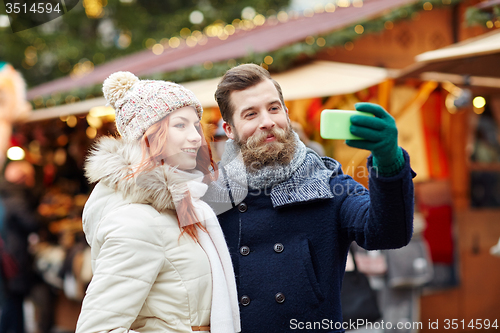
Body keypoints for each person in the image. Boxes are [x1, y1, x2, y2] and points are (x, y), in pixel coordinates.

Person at [202, 64, 415, 333]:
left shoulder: (327, 182)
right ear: (229, 129)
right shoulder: (210, 196)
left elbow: (390, 234)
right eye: (251, 114)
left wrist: (389, 161)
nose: (267, 121)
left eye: (274, 108)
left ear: (287, 114)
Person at [76, 72, 240, 333]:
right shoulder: (136, 222)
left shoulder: (180, 205)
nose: (196, 137)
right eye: (180, 125)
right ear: (148, 135)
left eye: (196, 125)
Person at [0, 161, 40, 333]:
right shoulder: (15, 197)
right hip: (12, 257)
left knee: (10, 301)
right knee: (13, 303)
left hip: (6, 256)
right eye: (30, 178)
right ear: (22, 178)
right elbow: (31, 223)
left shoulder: (4, 193)